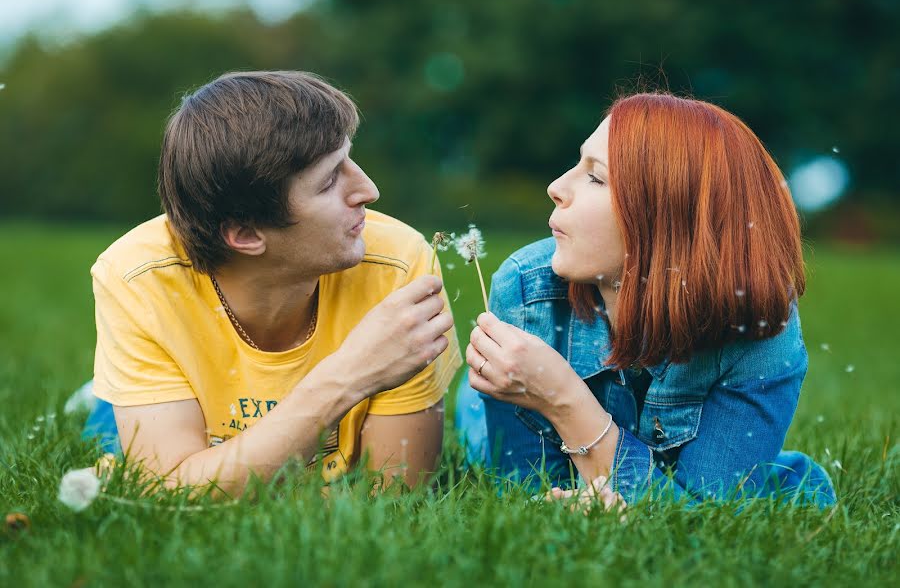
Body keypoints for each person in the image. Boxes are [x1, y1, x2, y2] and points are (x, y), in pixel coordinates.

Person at [83, 70, 461, 496]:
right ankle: (115, 397)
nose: (369, 190)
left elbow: (395, 497)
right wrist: (350, 374)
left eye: (349, 159)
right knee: (111, 438)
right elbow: (171, 492)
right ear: (246, 235)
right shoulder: (138, 276)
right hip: (175, 407)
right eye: (330, 180)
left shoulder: (399, 264)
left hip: (210, 434)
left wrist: (218, 479)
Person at [456, 93, 835, 508]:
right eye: (576, 166)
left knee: (759, 493)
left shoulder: (760, 327)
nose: (556, 187)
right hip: (479, 416)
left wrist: (564, 398)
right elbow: (528, 493)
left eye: (596, 178)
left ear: (668, 217)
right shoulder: (528, 291)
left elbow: (706, 519)